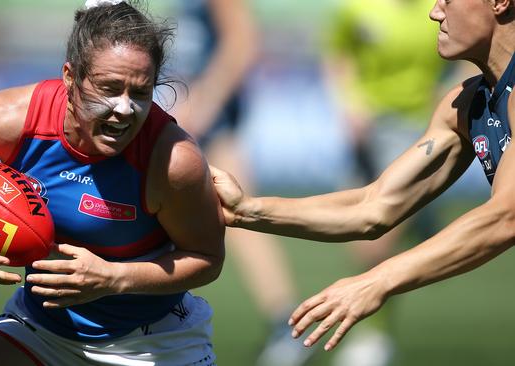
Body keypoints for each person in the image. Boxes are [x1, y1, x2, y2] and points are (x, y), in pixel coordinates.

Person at [0, 1, 225, 365]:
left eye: (140, 93)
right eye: (109, 88)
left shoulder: (172, 160)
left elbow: (207, 258)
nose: (125, 109)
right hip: (40, 328)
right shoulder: (12, 120)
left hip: (153, 343)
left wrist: (115, 277)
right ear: (70, 76)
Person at [210, 0, 515, 353]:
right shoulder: (465, 104)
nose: (435, 11)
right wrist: (246, 209)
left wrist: (378, 281)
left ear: (499, 3)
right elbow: (374, 206)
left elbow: (505, 216)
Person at [152, 1, 308, 365]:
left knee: (237, 213)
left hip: (208, 114)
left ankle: (287, 323)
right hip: (189, 107)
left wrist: (206, 103)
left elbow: (242, 41)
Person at [319, 1, 451, 364]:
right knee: (364, 243)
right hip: (367, 134)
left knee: (379, 239)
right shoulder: (357, 8)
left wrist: (447, 96)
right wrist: (349, 104)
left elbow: (466, 56)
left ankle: (370, 338)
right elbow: (338, 55)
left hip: (419, 132)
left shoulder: (439, 8)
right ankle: (374, 333)